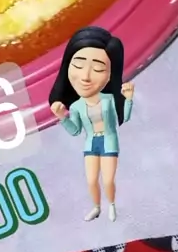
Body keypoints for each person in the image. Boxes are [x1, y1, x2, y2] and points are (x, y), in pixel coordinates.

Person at [49, 25, 134, 222]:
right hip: (90, 143)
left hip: (109, 141)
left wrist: (128, 99)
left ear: (109, 74)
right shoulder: (76, 106)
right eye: (78, 66)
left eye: (98, 69)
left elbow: (125, 116)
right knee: (91, 180)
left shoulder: (110, 100)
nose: (86, 76)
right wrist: (62, 117)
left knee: (108, 180)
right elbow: (75, 130)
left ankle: (111, 205)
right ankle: (96, 207)